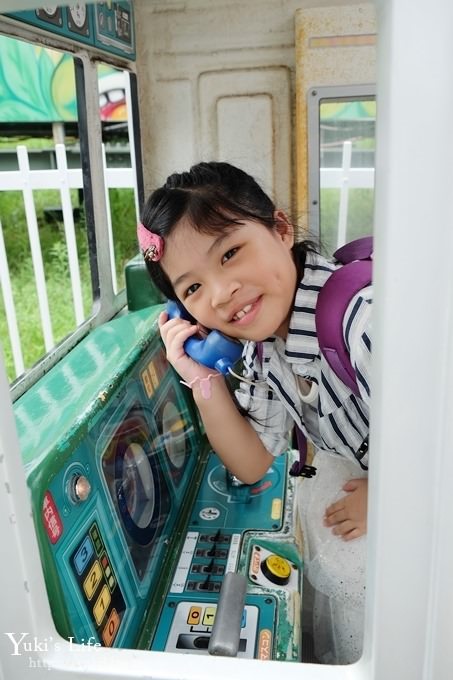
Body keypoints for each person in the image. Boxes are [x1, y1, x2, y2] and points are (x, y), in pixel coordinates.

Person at [138, 161, 371, 664]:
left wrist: (390, 494)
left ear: (281, 228)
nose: (221, 294)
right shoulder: (263, 349)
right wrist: (200, 374)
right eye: (192, 288)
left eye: (230, 253)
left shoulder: (363, 319)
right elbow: (253, 464)